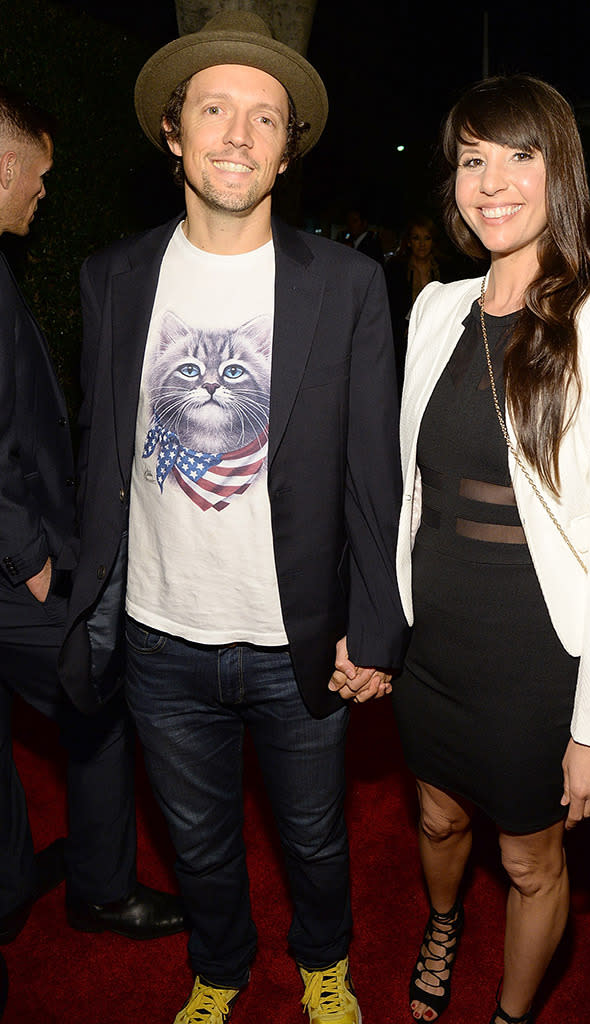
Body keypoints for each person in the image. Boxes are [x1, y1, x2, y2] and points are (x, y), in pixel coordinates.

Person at [59, 12, 407, 1024]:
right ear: (173, 132)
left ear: (287, 149)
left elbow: (370, 473)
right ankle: (217, 966)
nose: (238, 135)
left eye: (265, 118)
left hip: (292, 637)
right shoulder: (111, 277)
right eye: (215, 109)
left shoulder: (343, 285)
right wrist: (90, 592)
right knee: (197, 835)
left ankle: (323, 960)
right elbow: (101, 455)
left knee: (313, 834)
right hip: (160, 631)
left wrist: (373, 626)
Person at [393, 75, 590, 1024]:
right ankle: (439, 922)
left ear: (561, 172)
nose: (491, 180)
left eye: (519, 155)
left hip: (536, 657)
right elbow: (408, 496)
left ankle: (509, 1015)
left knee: (525, 857)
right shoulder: (434, 309)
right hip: (435, 645)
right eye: (472, 159)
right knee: (434, 815)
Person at [0, 86, 183, 946]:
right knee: (98, 705)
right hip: (12, 563)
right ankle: (103, 890)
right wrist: (28, 554)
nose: (45, 190)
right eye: (40, 173)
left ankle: (7, 887)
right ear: (6, 166)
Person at [385, 216, 442, 385]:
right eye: (416, 238)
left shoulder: (446, 269)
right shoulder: (395, 270)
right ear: (408, 242)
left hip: (437, 339)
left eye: (427, 238)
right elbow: (389, 307)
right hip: (403, 342)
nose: (422, 244)